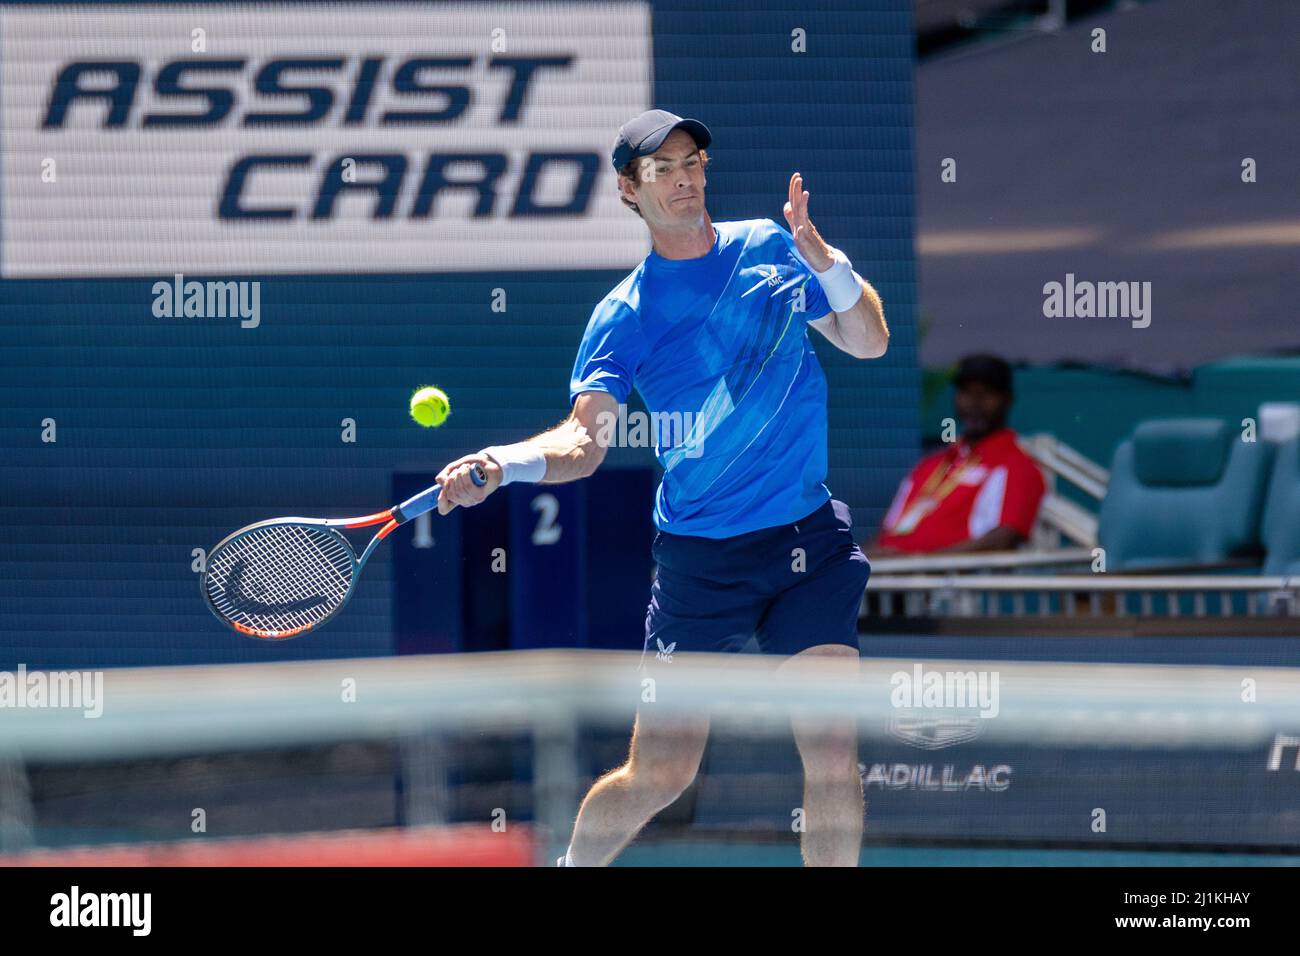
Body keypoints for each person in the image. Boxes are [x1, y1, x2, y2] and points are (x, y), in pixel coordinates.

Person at [434, 109, 888, 866]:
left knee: (833, 745)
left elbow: (869, 342)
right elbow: (583, 444)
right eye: (664, 169)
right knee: (662, 773)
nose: (686, 179)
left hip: (807, 539)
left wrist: (826, 260)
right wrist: (505, 462)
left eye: (693, 163)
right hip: (700, 561)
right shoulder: (624, 315)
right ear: (628, 190)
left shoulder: (774, 248)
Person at [869, 354, 1045, 555]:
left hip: (950, 581)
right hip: (889, 578)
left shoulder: (1017, 466)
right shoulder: (930, 465)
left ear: (1007, 400)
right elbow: (886, 533)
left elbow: (1002, 541)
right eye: (966, 393)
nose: (974, 404)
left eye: (986, 394)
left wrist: (919, 564)